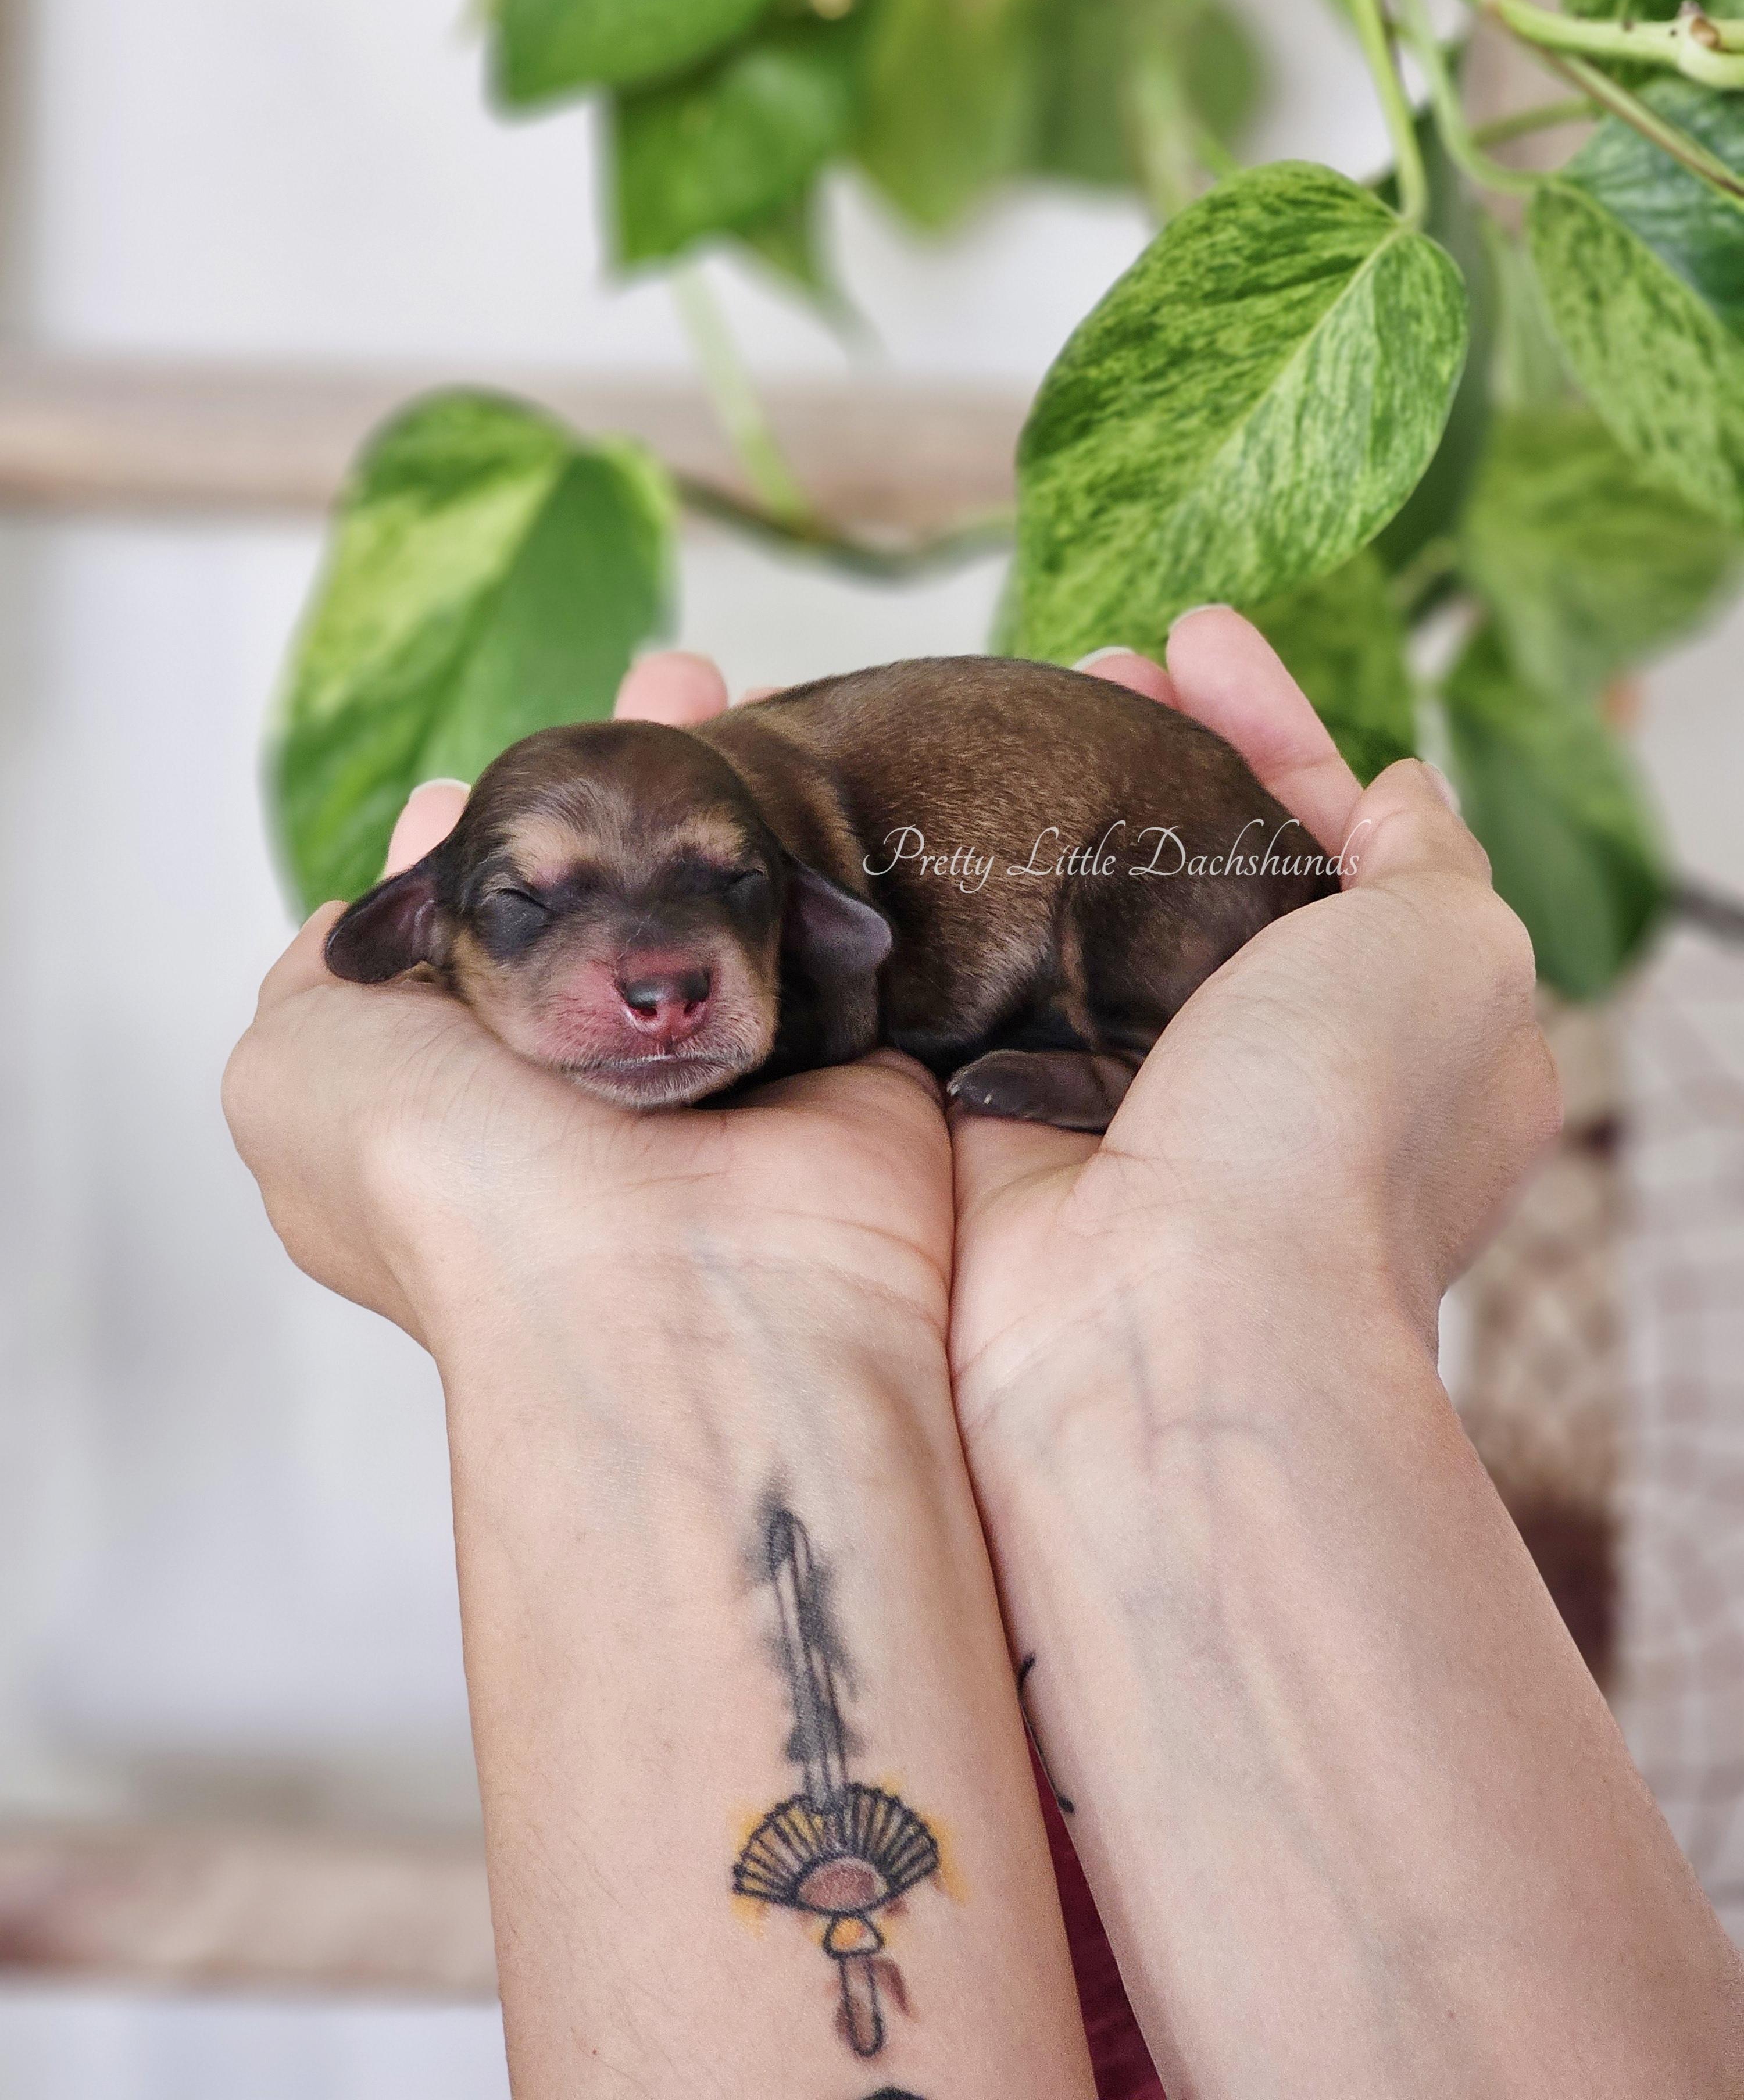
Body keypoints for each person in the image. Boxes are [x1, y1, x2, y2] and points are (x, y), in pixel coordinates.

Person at [224, 608, 1744, 2098]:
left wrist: (1242, 1258)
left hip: (1151, 867)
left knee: (1148, 889)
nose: (657, 971)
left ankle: (1120, 1051)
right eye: (528, 907)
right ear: (418, 934)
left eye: (719, 894)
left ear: (796, 910)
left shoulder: (857, 911)